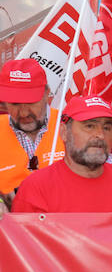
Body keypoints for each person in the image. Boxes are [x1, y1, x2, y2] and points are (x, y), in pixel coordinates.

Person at [12, 95, 112, 223]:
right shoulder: (35, 188)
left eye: (106, 127)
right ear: (64, 132)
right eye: (89, 126)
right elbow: (21, 248)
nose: (100, 135)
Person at [0, 58, 65, 208]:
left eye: (30, 102)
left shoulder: (71, 125)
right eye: (14, 104)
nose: (23, 113)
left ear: (46, 93)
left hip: (66, 227)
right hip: (11, 229)